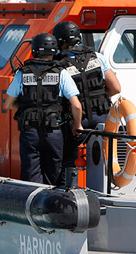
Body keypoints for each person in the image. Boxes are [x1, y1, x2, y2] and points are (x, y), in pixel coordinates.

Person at [5, 33, 83, 185]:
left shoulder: (22, 73)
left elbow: (8, 103)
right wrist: (77, 125)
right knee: (54, 171)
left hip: (30, 132)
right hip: (54, 131)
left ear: (34, 50)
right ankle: (51, 202)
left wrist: (26, 110)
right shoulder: (62, 73)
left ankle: (33, 203)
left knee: (30, 172)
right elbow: (76, 105)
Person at [52, 21, 122, 174]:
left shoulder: (56, 65)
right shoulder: (97, 57)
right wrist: (99, 98)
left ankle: (67, 192)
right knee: (105, 159)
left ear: (60, 42)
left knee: (67, 162)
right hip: (102, 119)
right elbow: (116, 88)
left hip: (76, 122)